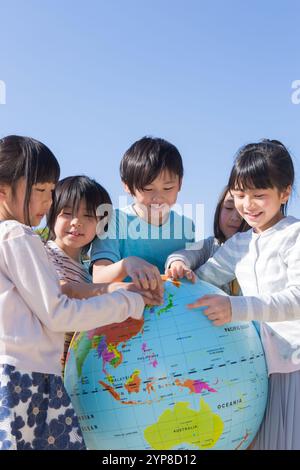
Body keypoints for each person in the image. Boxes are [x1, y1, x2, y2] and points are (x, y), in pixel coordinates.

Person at [0, 135, 160, 450]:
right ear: (3, 189)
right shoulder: (18, 236)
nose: (47, 202)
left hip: (30, 374)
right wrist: (129, 301)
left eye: (50, 191)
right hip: (25, 378)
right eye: (40, 191)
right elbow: (59, 310)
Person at [174, 139, 300, 450]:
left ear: (284, 192)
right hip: (261, 369)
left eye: (259, 195)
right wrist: (178, 266)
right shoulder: (240, 244)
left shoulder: (294, 235)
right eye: (240, 195)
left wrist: (237, 308)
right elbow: (205, 275)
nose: (247, 205)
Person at [91, 136, 195, 291]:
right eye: (148, 189)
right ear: (127, 186)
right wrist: (128, 264)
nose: (158, 197)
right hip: (125, 310)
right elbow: (98, 279)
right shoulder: (113, 221)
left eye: (168, 188)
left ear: (180, 183)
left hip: (170, 312)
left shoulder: (186, 226)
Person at [165, 185, 249, 294]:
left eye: (243, 210)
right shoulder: (209, 244)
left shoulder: (257, 249)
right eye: (228, 208)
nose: (235, 217)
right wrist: (178, 263)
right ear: (219, 210)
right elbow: (186, 253)